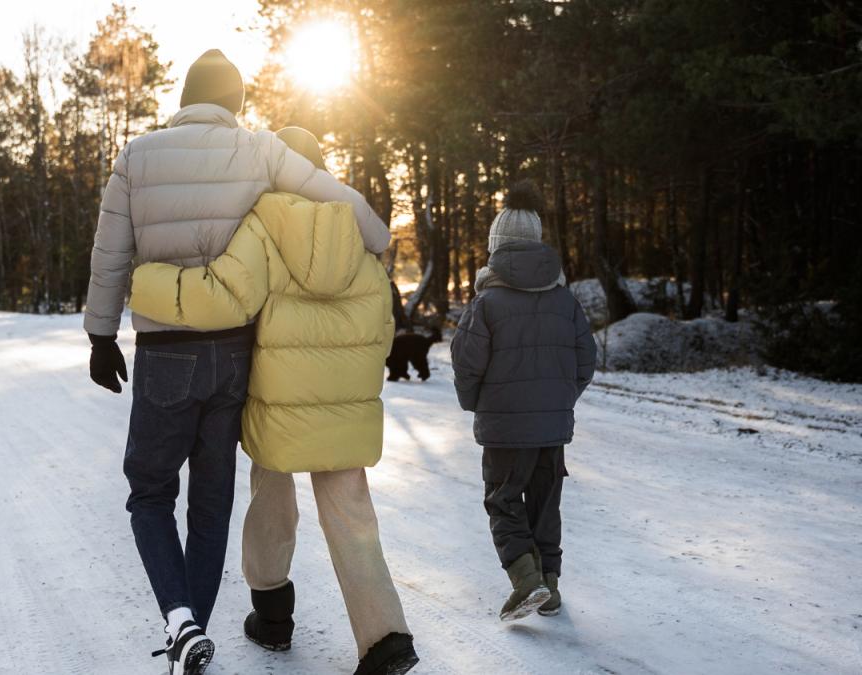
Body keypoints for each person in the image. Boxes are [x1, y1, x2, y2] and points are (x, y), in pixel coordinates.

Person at [83, 50, 389, 675]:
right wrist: (378, 237)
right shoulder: (257, 150)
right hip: (233, 355)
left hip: (167, 351)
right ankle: (188, 638)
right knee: (213, 501)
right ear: (238, 105)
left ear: (185, 98)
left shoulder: (138, 155)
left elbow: (110, 251)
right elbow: (330, 195)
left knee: (149, 492)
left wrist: (101, 334)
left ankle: (181, 623)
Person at [129, 127, 418, 675]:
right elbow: (383, 326)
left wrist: (145, 283)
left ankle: (273, 616)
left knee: (270, 498)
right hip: (344, 402)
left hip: (274, 397)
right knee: (352, 515)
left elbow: (225, 296)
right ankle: (385, 639)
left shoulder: (263, 223)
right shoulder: (357, 228)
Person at [449, 180, 597, 621]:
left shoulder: (487, 300)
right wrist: (558, 400)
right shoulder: (564, 299)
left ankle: (526, 580)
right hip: (552, 428)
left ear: (496, 247)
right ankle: (549, 587)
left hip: (505, 427)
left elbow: (466, 363)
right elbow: (585, 361)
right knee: (545, 503)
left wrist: (478, 403)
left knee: (503, 500)